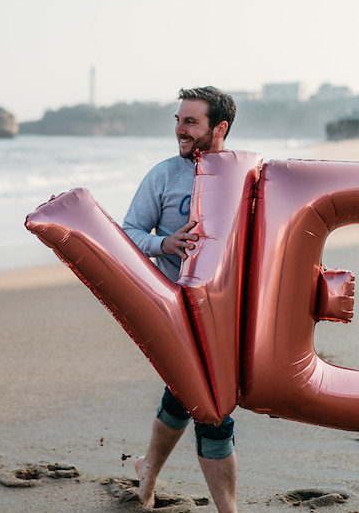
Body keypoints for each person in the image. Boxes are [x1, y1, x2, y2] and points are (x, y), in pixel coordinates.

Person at [121, 86, 238, 512]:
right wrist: (164, 243)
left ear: (219, 128)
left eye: (190, 122)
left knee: (184, 396)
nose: (179, 130)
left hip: (228, 312)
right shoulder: (164, 175)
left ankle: (147, 474)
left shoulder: (246, 176)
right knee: (213, 408)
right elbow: (128, 232)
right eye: (178, 120)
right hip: (178, 311)